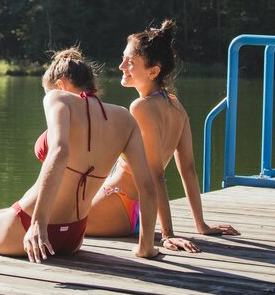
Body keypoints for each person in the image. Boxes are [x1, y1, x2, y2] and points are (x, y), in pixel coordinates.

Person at [0, 47, 158, 262]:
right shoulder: (125, 118)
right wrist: (146, 246)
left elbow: (59, 152)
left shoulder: (58, 98)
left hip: (28, 226)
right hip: (73, 236)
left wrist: (38, 224)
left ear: (60, 85)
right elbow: (147, 184)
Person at [86, 20, 239, 251]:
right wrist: (201, 224)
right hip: (132, 211)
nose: (121, 66)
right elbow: (188, 170)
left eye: (131, 62)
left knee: (48, 221)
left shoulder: (141, 107)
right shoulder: (176, 106)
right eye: (123, 58)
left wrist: (167, 234)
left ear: (154, 71)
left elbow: (154, 174)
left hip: (120, 205)